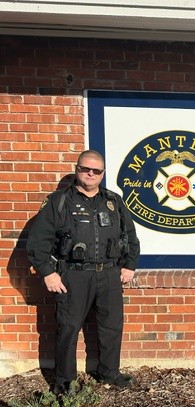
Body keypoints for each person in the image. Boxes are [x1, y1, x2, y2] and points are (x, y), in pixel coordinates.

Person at [27, 150, 140, 394]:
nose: (90, 174)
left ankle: (109, 372)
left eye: (96, 170)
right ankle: (64, 382)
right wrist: (48, 272)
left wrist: (130, 264)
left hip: (109, 274)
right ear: (77, 169)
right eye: (84, 169)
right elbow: (38, 241)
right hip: (73, 275)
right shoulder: (59, 201)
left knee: (111, 326)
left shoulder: (114, 201)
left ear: (102, 174)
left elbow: (129, 235)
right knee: (68, 328)